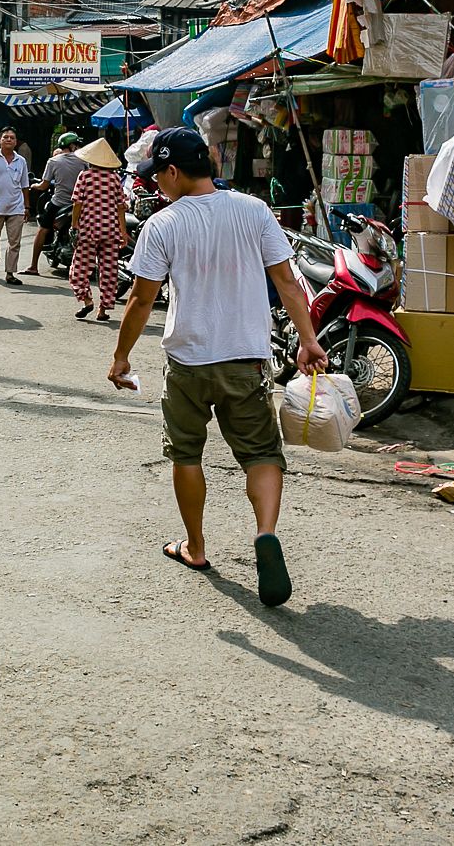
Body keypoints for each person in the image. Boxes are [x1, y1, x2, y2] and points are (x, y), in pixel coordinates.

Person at [106, 128, 325, 606]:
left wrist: (121, 358)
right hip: (246, 360)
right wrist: (307, 341)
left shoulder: (162, 225)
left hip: (187, 361)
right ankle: (265, 532)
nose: (156, 186)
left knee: (186, 455)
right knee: (262, 454)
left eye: (157, 176)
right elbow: (287, 282)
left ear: (173, 171)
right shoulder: (253, 210)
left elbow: (141, 299)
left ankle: (197, 547)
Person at [67, 137, 129, 321]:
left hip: (89, 230)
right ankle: (103, 310)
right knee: (109, 271)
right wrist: (123, 232)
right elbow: (121, 207)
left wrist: (74, 225)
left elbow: (77, 203)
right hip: (111, 230)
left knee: (78, 270)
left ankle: (87, 300)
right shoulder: (115, 178)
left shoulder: (85, 176)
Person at [25, 131, 87, 277]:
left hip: (58, 203)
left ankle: (33, 266)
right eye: (76, 144)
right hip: (80, 204)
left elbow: (44, 186)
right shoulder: (84, 160)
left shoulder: (53, 161)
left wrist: (34, 186)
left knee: (43, 230)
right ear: (72, 145)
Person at [0, 127, 31, 284]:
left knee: (14, 242)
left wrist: (27, 207)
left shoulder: (21, 161)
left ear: (16, 142)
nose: (9, 140)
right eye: (6, 137)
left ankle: (10, 273)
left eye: (12, 138)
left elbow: (24, 185)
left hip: (16, 207)